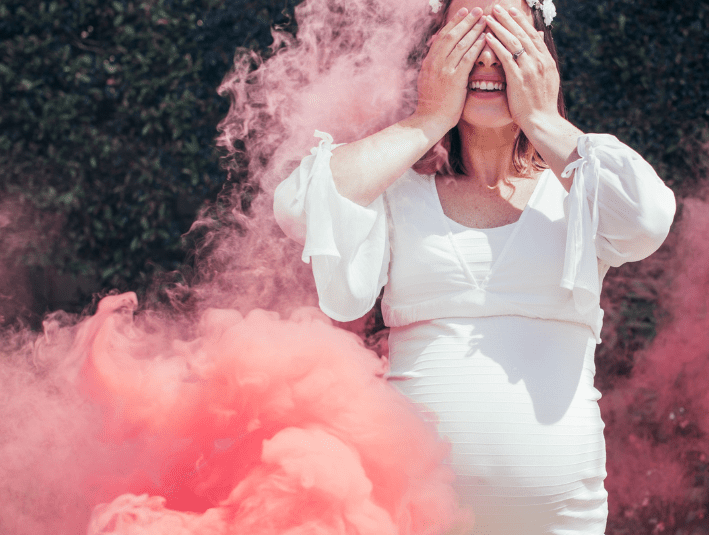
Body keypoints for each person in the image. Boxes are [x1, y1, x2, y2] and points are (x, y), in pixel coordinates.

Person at [273, 0, 676, 532]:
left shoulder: (581, 186)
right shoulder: (397, 189)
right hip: (414, 512)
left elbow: (647, 220)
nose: (487, 56)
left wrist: (542, 118)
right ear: (437, 56)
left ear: (541, 55)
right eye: (467, 33)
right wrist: (427, 118)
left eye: (507, 34)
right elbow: (302, 206)